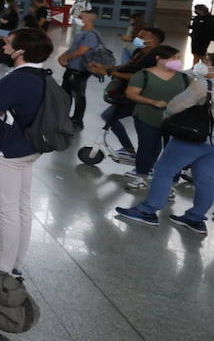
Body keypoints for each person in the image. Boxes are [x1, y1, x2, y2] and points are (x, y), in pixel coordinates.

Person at [0, 28, 52, 278]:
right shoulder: (44, 76)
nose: (4, 47)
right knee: (22, 206)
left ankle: (2, 267)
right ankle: (15, 261)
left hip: (8, 150)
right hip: (29, 148)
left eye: (8, 44)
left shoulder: (17, 79)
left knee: (6, 209)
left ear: (21, 51)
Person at [116, 52, 214, 233]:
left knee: (165, 169)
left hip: (194, 137)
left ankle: (148, 210)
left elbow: (176, 105)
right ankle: (195, 218)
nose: (201, 64)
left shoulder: (203, 85)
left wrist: (167, 116)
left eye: (205, 62)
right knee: (207, 179)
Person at [91, 26, 163, 163]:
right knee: (109, 116)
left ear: (153, 40)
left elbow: (138, 76)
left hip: (143, 97)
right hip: (129, 95)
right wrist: (105, 68)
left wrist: (109, 72)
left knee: (146, 132)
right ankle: (130, 151)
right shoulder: (140, 52)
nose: (137, 39)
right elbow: (127, 66)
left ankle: (145, 161)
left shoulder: (155, 58)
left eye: (142, 37)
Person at [122, 45, 186, 191]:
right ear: (158, 58)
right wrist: (152, 102)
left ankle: (170, 185)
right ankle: (141, 177)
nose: (176, 60)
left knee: (174, 152)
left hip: (176, 122)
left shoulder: (184, 77)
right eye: (172, 58)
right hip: (147, 118)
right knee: (147, 148)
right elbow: (131, 93)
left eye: (178, 57)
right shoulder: (143, 75)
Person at [57, 9, 102, 128]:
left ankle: (77, 120)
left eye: (83, 16)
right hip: (73, 67)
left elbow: (81, 51)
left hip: (79, 69)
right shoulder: (83, 32)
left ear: (89, 19)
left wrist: (67, 57)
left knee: (78, 94)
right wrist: (63, 56)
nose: (80, 18)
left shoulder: (91, 35)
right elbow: (74, 48)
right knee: (66, 93)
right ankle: (64, 116)